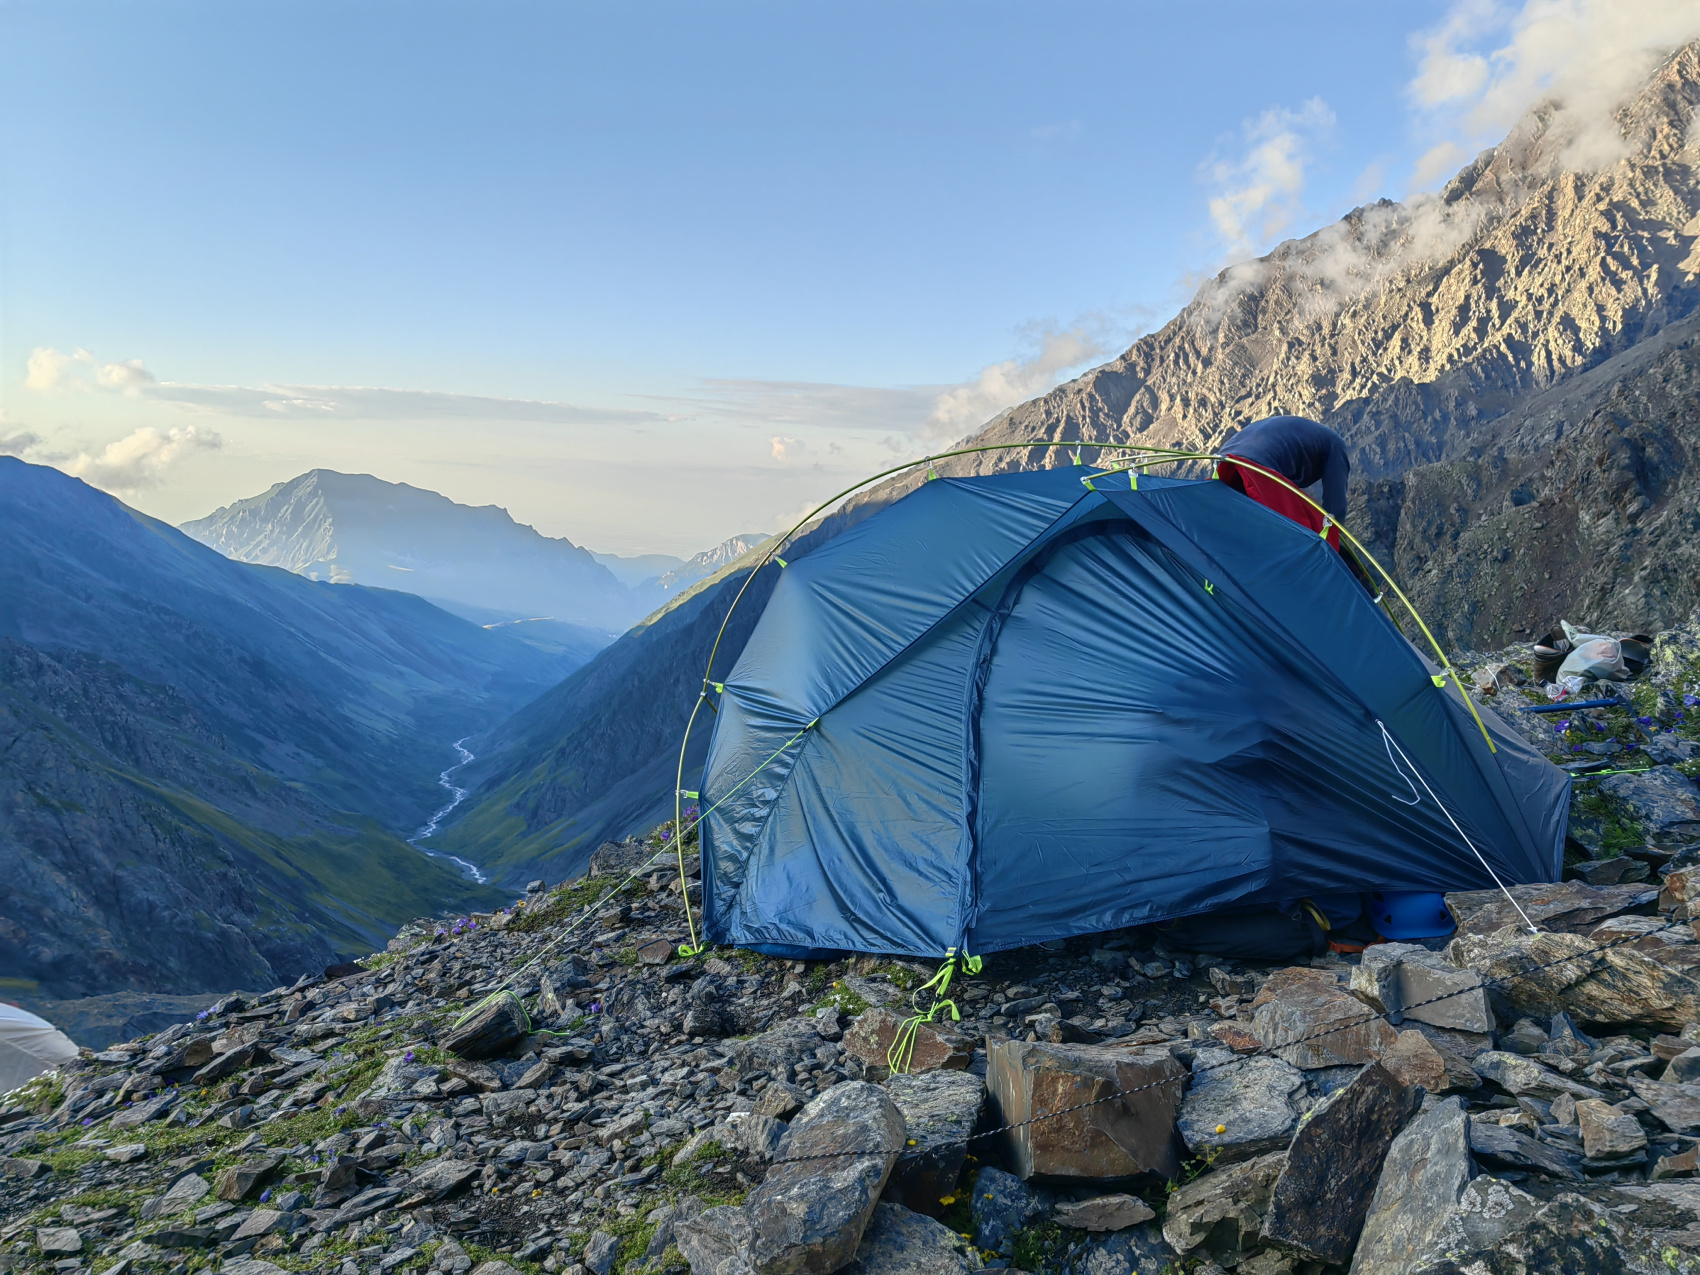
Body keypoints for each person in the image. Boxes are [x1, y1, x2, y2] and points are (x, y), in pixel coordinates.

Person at [1217, 414, 1377, 593]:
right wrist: (1328, 552)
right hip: (1256, 470)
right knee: (1297, 541)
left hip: (1222, 464)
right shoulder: (1336, 447)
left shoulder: (1303, 435)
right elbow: (1335, 512)